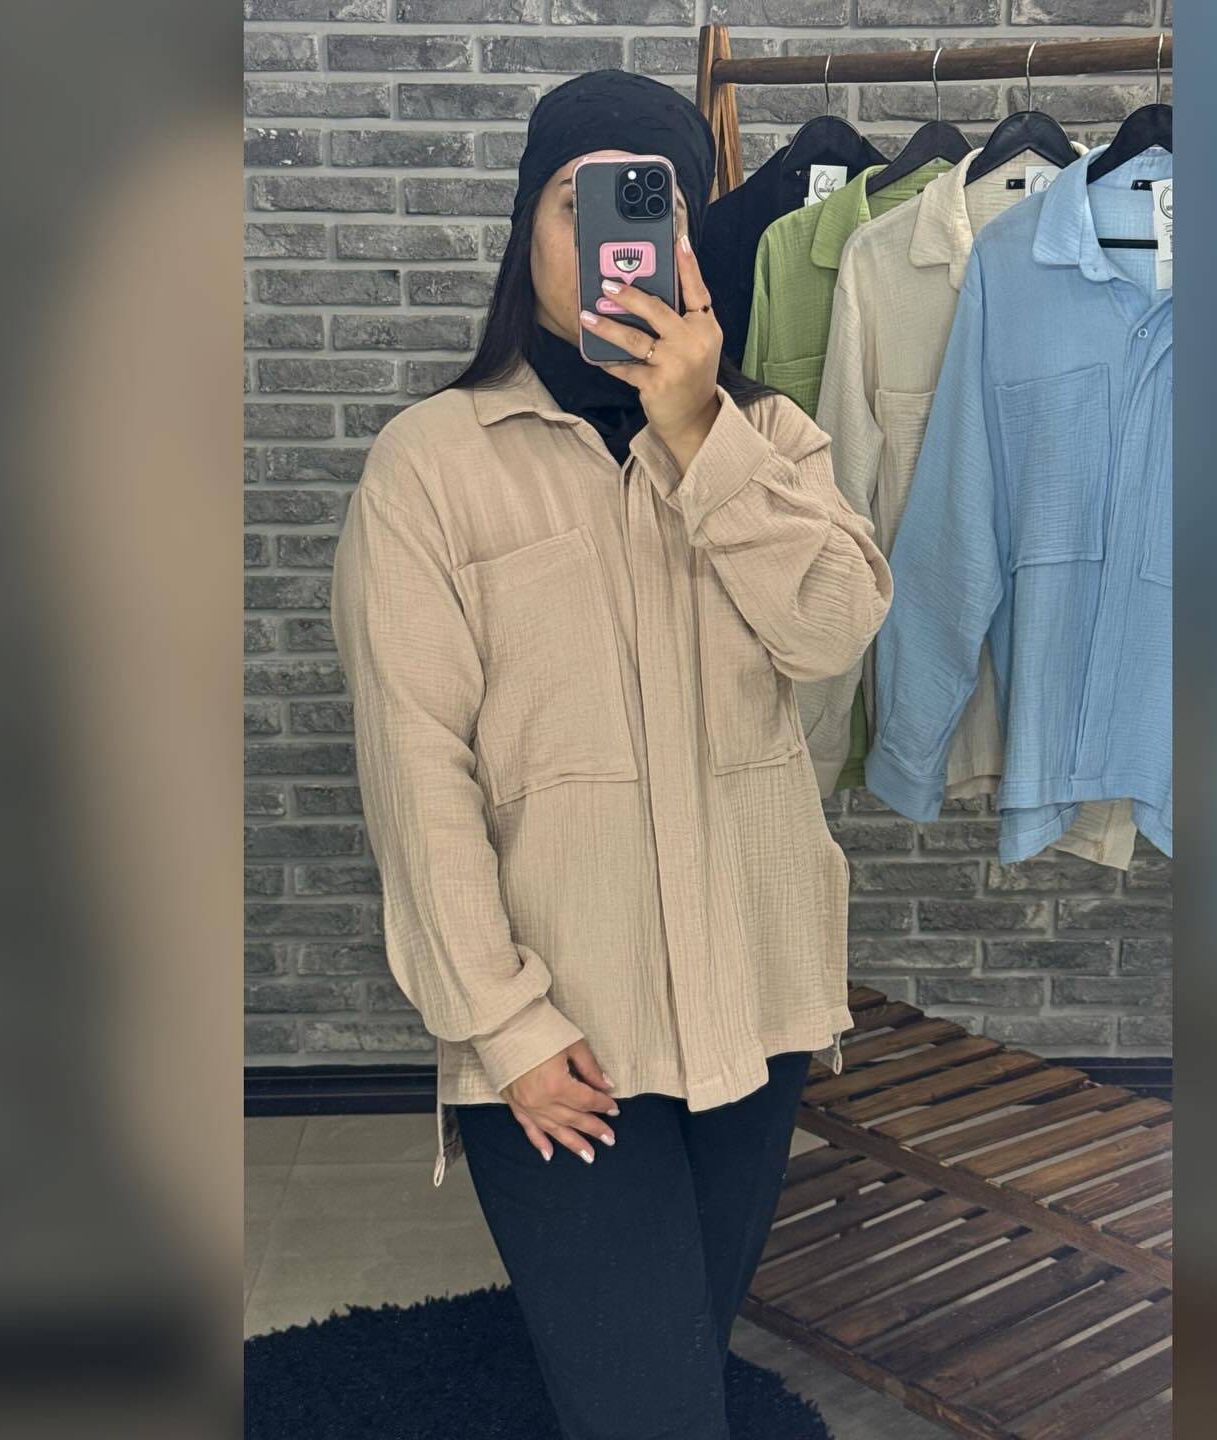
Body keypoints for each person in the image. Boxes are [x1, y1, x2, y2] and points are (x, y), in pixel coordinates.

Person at [330, 69, 893, 1439]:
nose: (615, 239)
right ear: (526, 229)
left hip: (754, 1005)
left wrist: (698, 432)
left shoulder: (768, 438)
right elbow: (416, 774)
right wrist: (504, 1025)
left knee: (676, 1362)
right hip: (560, 1035)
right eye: (579, 205)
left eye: (652, 206)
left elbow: (833, 629)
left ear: (691, 238)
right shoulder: (430, 465)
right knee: (651, 1405)